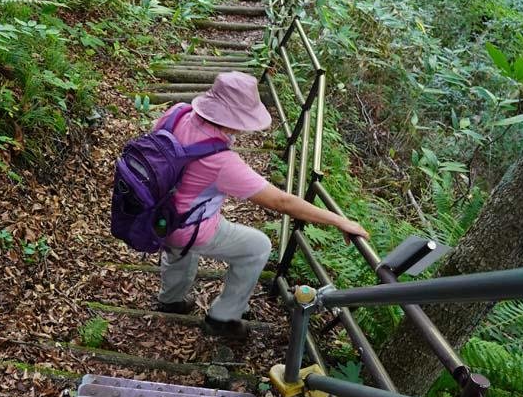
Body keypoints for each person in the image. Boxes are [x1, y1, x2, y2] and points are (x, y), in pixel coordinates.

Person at [155, 71, 369, 340]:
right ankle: (223, 317)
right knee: (257, 247)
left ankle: (171, 299)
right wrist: (338, 220)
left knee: (179, 247)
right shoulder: (220, 161)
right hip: (187, 225)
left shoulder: (177, 113)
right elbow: (282, 201)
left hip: (158, 214)